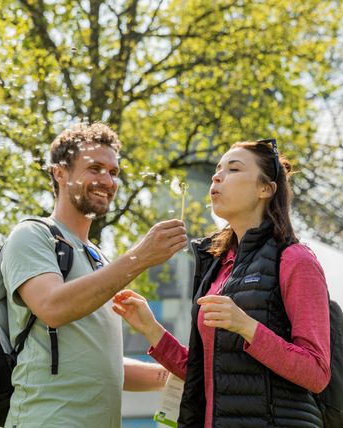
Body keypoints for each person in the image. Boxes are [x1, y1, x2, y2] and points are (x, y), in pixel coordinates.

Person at [113, 139, 331, 427]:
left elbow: (316, 373)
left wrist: (246, 326)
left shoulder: (295, 260)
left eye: (234, 169)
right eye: (218, 169)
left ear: (265, 189)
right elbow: (204, 376)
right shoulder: (217, 268)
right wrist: (151, 329)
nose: (217, 176)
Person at [0, 122, 188, 427]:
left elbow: (101, 364)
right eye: (95, 168)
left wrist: (174, 372)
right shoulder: (33, 235)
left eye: (113, 172)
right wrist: (140, 257)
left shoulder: (100, 259)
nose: (108, 180)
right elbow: (52, 307)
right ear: (60, 173)